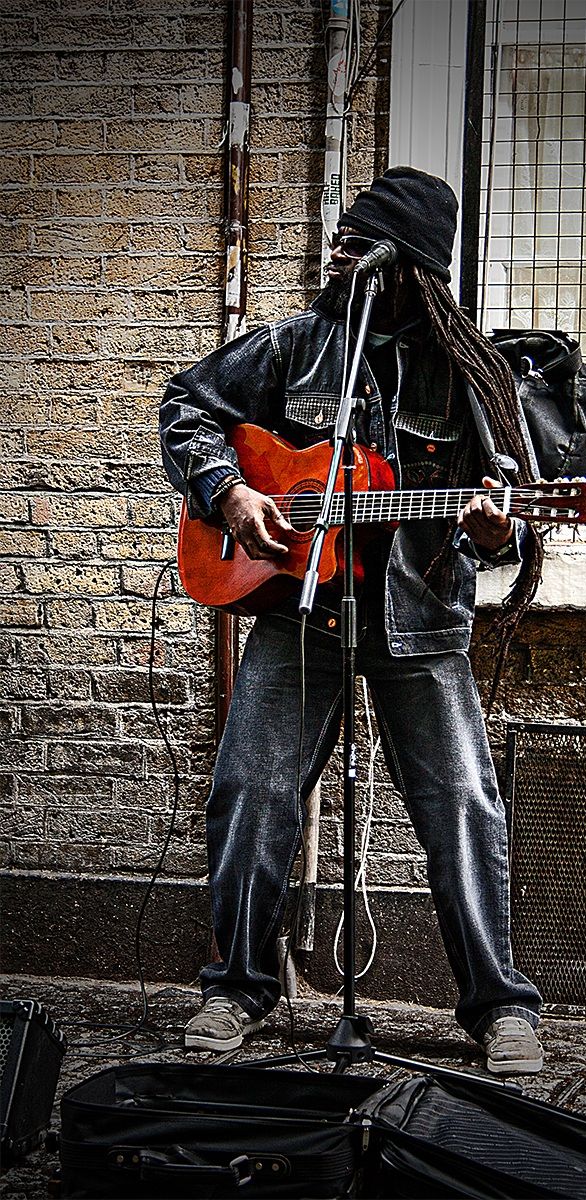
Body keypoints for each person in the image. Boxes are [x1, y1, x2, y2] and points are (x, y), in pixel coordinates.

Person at [160, 167, 544, 1075]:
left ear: (405, 264)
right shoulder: (297, 344)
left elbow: (506, 520)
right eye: (340, 238)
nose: (337, 253)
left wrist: (497, 529)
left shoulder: (467, 376)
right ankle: (239, 987)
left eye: (358, 244)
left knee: (460, 805)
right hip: (300, 613)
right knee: (250, 790)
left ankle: (500, 1007)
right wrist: (228, 490)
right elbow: (189, 405)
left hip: (420, 625)